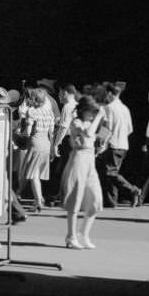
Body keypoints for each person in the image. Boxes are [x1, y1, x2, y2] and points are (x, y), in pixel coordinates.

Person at [59, 95, 106, 249]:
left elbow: (94, 136)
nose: (93, 115)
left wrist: (102, 145)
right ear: (84, 110)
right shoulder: (76, 121)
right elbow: (88, 134)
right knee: (75, 198)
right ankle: (71, 236)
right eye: (91, 112)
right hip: (78, 158)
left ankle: (83, 234)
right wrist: (98, 118)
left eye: (95, 112)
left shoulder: (91, 122)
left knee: (96, 200)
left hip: (90, 159)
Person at [96, 81, 142, 208]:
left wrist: (99, 143)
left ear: (110, 94)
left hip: (112, 144)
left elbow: (106, 128)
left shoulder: (108, 108)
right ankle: (111, 200)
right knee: (113, 172)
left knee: (110, 173)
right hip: (123, 144)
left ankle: (132, 190)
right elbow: (130, 129)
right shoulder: (125, 108)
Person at [16, 86, 55, 212]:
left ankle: (38, 201)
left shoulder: (32, 111)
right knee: (36, 174)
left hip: (35, 143)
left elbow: (27, 132)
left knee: (33, 175)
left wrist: (18, 135)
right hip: (46, 144)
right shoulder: (49, 112)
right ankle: (39, 200)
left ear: (35, 99)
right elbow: (52, 132)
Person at [48, 83, 79, 206]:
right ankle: (63, 196)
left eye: (60, 94)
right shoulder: (76, 105)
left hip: (66, 141)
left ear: (65, 93)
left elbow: (63, 127)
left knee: (61, 170)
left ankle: (54, 197)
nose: (59, 96)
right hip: (74, 141)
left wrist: (56, 144)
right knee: (68, 170)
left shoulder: (67, 107)